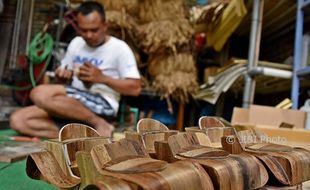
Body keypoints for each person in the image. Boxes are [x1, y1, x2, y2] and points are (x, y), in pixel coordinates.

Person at [9, 1, 141, 138]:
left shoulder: (119, 48)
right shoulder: (76, 43)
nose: (89, 35)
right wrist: (62, 77)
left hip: (102, 104)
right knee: (18, 120)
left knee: (39, 93)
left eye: (94, 30)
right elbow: (65, 78)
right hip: (71, 105)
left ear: (105, 26)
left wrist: (102, 78)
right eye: (84, 30)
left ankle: (99, 124)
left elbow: (135, 88)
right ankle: (87, 135)